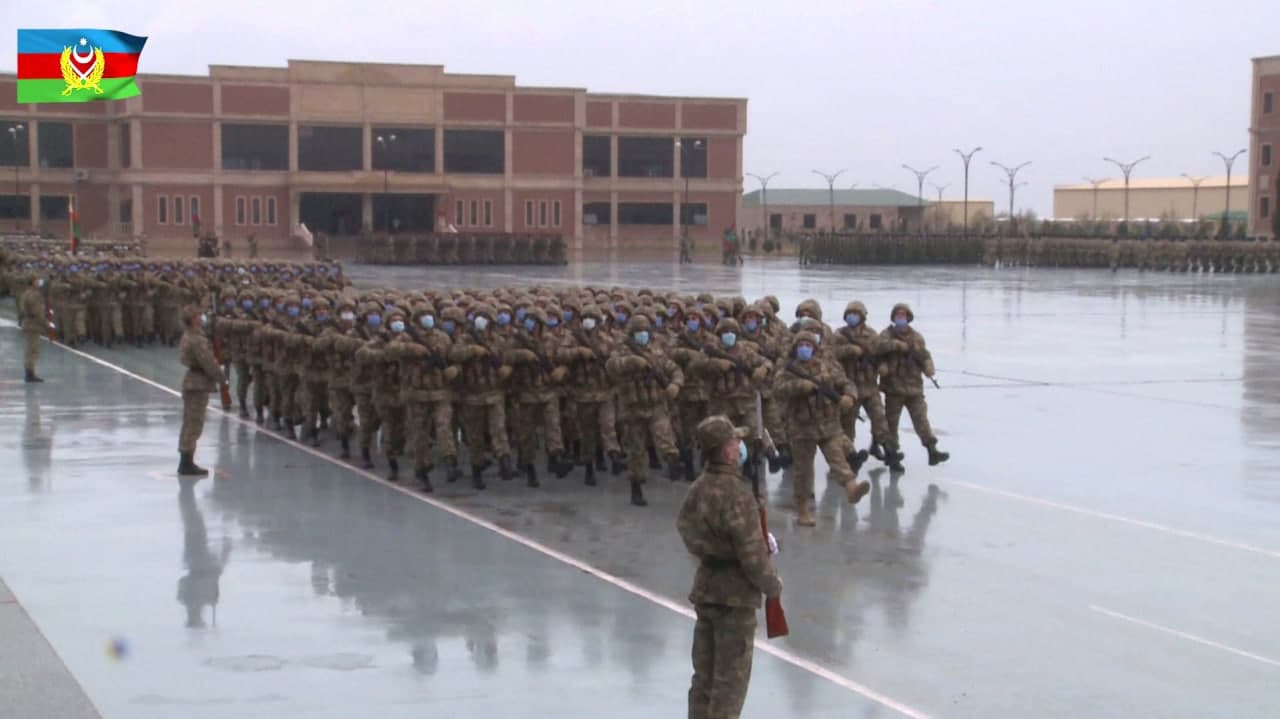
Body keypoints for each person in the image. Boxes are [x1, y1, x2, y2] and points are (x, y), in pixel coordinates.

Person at [677, 415, 782, 719]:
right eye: (735, 442)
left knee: (704, 678)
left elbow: (686, 529)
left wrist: (716, 551)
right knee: (730, 683)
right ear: (726, 451)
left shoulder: (699, 488)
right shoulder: (737, 494)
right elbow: (751, 556)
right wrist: (773, 585)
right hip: (735, 598)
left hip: (707, 588)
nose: (740, 446)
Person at [178, 305, 227, 476]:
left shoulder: (189, 335)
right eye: (199, 316)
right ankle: (186, 463)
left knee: (190, 422)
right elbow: (208, 362)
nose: (201, 318)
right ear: (193, 319)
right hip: (198, 383)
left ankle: (186, 460)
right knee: (194, 423)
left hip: (193, 381)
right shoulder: (197, 339)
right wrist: (221, 377)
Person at [18, 276, 48, 383]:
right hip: (33, 325)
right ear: (32, 282)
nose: (39, 282)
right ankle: (30, 373)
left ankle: (30, 372)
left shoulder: (26, 293)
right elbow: (37, 312)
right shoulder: (34, 295)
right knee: (32, 350)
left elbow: (22, 310)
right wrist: (46, 324)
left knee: (30, 350)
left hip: (29, 324)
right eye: (37, 280)